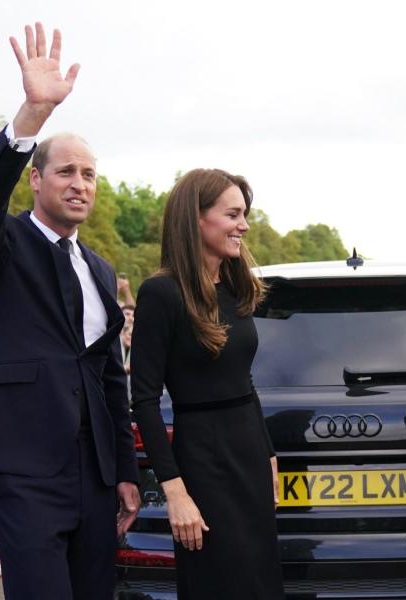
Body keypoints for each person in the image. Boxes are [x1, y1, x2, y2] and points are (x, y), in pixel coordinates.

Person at [0, 23, 138, 600]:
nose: (80, 185)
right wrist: (31, 116)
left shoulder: (101, 270)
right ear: (35, 180)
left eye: (89, 175)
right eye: (66, 172)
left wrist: (126, 472)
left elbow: (109, 377)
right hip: (26, 466)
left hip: (95, 473)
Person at [131, 168, 282, 599]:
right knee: (218, 581)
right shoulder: (161, 293)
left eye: (244, 214)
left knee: (260, 581)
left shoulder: (237, 286)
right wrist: (175, 491)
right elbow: (143, 400)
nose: (244, 225)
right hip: (203, 461)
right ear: (197, 218)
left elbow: (243, 381)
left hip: (249, 455)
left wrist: (268, 454)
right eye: (233, 214)